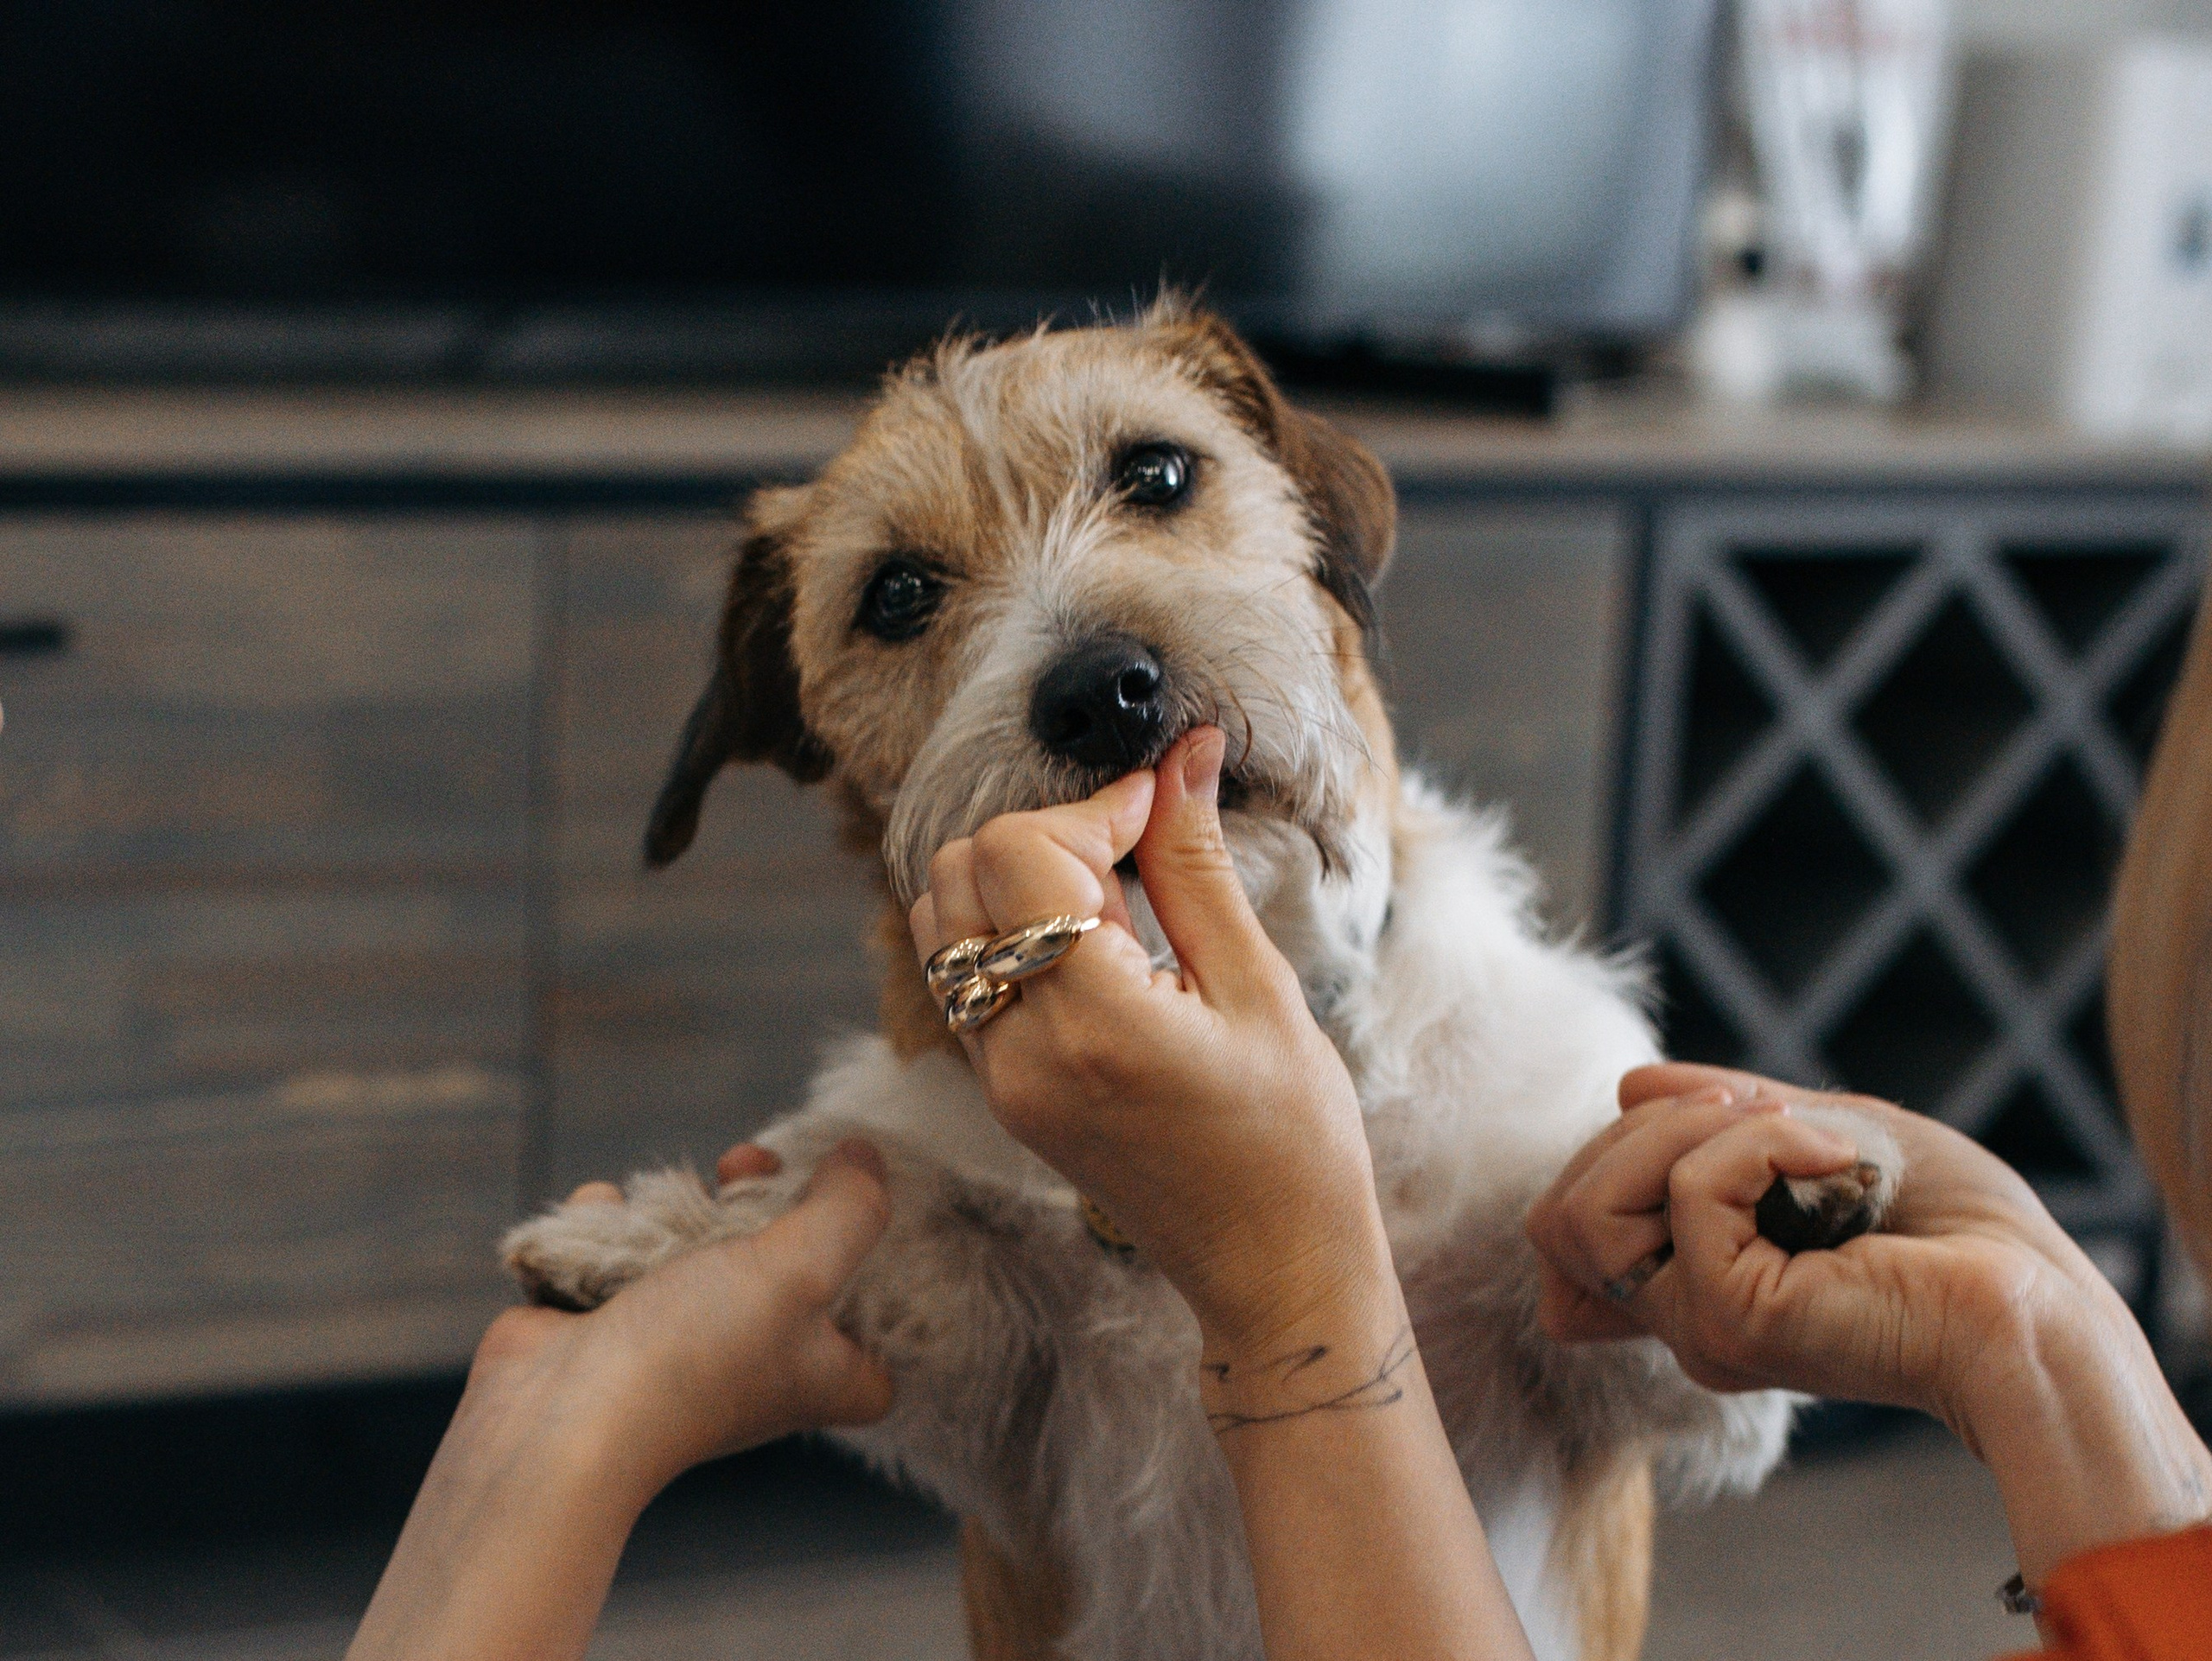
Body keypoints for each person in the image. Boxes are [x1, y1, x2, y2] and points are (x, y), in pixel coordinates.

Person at [349, 729, 2212, 1661]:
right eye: (914, 604)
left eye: (1162, 486)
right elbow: (931, 1336)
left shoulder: (1535, 1063)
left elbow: (1684, 1412)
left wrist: (560, 1457)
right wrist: (2042, 1337)